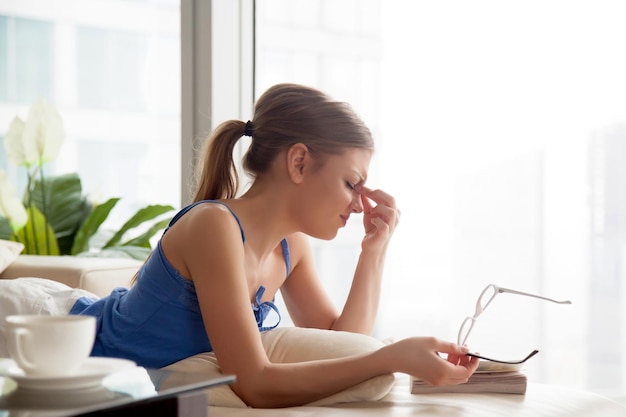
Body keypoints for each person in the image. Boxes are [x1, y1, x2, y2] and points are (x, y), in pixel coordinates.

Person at [2, 83, 479, 407]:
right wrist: (392, 356)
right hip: (44, 329)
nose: (360, 205)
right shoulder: (215, 228)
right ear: (298, 163)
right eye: (352, 183)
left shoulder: (289, 246)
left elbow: (341, 341)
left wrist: (373, 251)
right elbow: (253, 383)